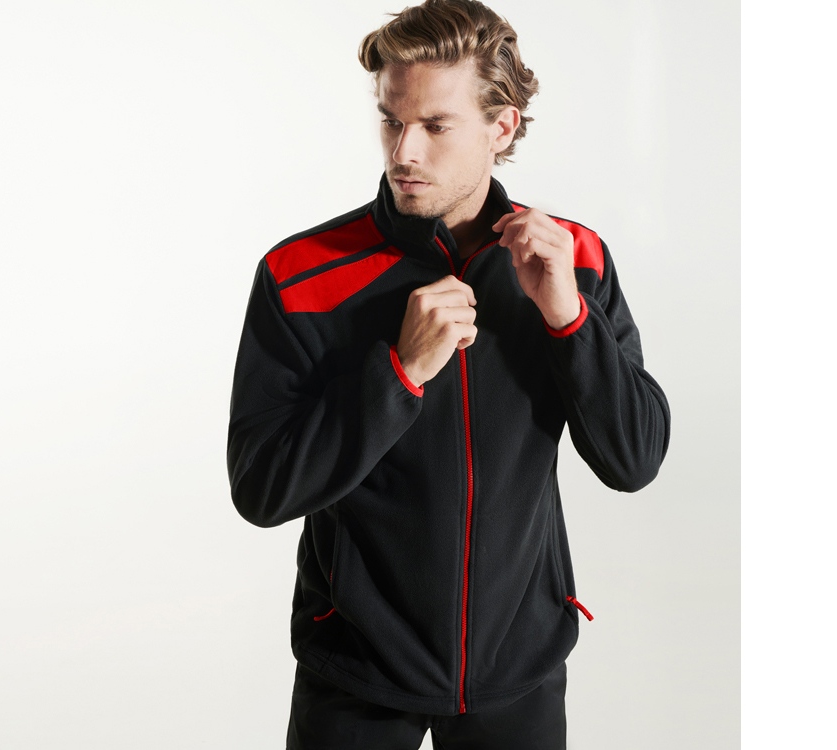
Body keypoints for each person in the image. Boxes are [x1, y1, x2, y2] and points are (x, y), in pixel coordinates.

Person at [226, 0, 670, 746]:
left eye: (435, 126)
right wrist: (398, 374)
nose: (403, 151)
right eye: (390, 120)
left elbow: (635, 459)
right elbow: (262, 489)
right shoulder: (300, 274)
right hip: (355, 672)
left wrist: (568, 320)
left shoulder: (575, 260)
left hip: (519, 669)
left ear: (503, 127)